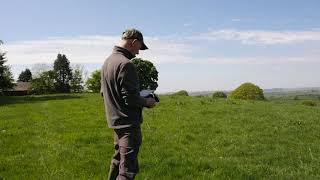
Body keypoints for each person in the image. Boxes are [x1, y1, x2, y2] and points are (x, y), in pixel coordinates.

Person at [101, 28, 157, 180]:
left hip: (115, 123)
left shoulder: (107, 62)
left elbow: (103, 93)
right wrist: (148, 101)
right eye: (139, 48)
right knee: (127, 171)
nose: (138, 53)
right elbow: (130, 99)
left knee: (117, 160)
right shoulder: (126, 64)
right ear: (134, 42)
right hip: (128, 126)